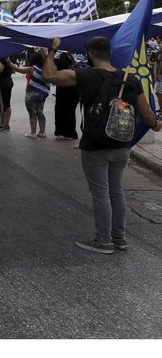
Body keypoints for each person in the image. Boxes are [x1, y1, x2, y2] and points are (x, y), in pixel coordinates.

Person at [43, 36, 161, 254]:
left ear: (90, 55)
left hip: (95, 144)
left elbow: (50, 75)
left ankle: (103, 240)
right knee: (116, 190)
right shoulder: (130, 79)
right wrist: (156, 125)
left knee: (100, 193)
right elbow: (146, 114)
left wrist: (51, 51)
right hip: (122, 145)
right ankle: (120, 238)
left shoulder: (86, 75)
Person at [8, 52, 51, 138]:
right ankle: (42, 132)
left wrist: (9, 62)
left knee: (32, 113)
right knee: (40, 111)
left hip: (32, 93)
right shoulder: (46, 70)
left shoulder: (33, 68)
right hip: (43, 93)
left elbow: (18, 69)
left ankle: (33, 133)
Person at [53, 52, 80, 140]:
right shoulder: (74, 65)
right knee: (71, 113)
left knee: (61, 112)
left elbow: (48, 59)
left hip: (62, 91)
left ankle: (63, 132)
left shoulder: (60, 64)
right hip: (74, 92)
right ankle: (72, 133)